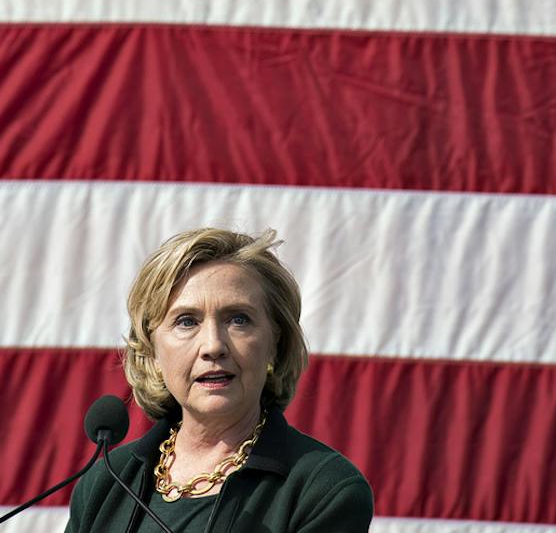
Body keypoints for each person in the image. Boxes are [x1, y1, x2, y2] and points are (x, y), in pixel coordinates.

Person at [65, 227, 374, 533]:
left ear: (275, 344)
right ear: (152, 351)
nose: (213, 346)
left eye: (238, 319)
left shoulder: (323, 489)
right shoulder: (106, 481)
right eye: (187, 321)